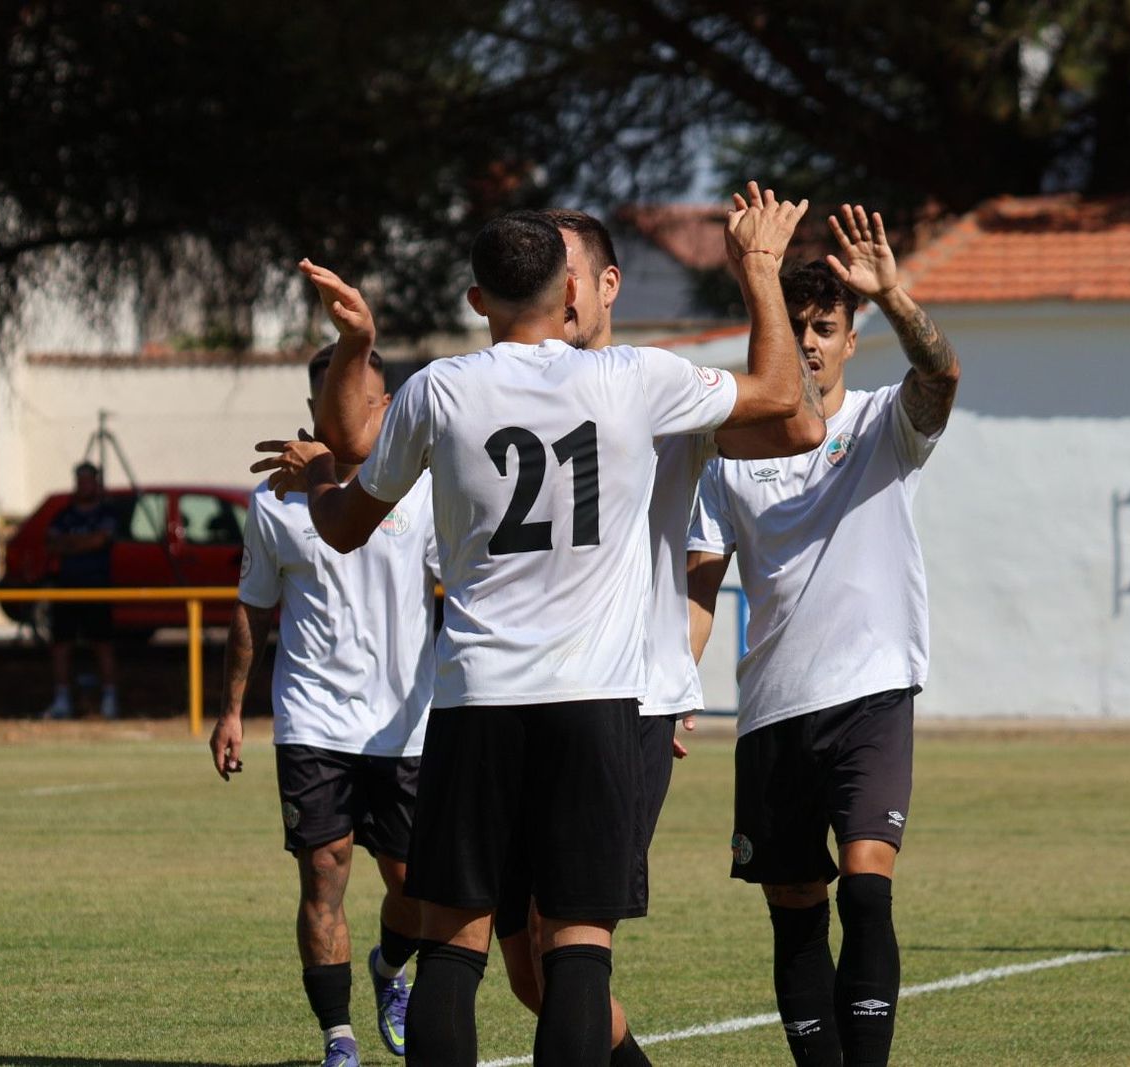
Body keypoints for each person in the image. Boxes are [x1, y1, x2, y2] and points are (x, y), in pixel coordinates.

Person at [255, 185, 808, 1065]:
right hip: (596, 704)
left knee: (452, 944)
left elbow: (347, 523)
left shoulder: (439, 389)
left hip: (477, 700)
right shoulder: (635, 380)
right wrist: (760, 272)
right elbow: (784, 394)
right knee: (579, 953)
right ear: (574, 292)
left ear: (476, 300)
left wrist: (322, 473)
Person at [484, 208, 826, 1064]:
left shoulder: (656, 386)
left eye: (571, 273)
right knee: (526, 966)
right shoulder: (490, 388)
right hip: (517, 698)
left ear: (604, 287)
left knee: (568, 942)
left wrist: (759, 276)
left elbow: (798, 423)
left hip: (624, 696)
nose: (557, 291)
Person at [685, 205, 961, 1066]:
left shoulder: (885, 424)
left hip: (872, 693)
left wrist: (897, 295)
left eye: (825, 327)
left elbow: (943, 375)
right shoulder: (723, 453)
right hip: (771, 711)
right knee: (796, 909)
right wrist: (673, 690)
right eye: (795, 325)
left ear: (849, 340)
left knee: (868, 889)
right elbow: (701, 578)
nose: (806, 341)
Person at [211, 345, 434, 1065]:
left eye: (357, 396)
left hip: (405, 721)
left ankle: (389, 969)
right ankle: (338, 1037)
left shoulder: (421, 486)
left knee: (412, 883)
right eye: (326, 397)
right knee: (325, 867)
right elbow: (253, 610)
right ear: (312, 409)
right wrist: (231, 710)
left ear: (384, 405)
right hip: (311, 716)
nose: (340, 410)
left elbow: (463, 589)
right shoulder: (277, 497)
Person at [40, 462, 119, 720]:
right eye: (80, 480)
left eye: (88, 480)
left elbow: (101, 540)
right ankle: (62, 699)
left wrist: (71, 543)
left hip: (97, 587)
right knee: (61, 643)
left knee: (102, 643)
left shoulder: (106, 513)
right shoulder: (64, 515)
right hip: (67, 587)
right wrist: (84, 543)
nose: (84, 485)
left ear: (96, 483)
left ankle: (109, 699)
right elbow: (52, 545)